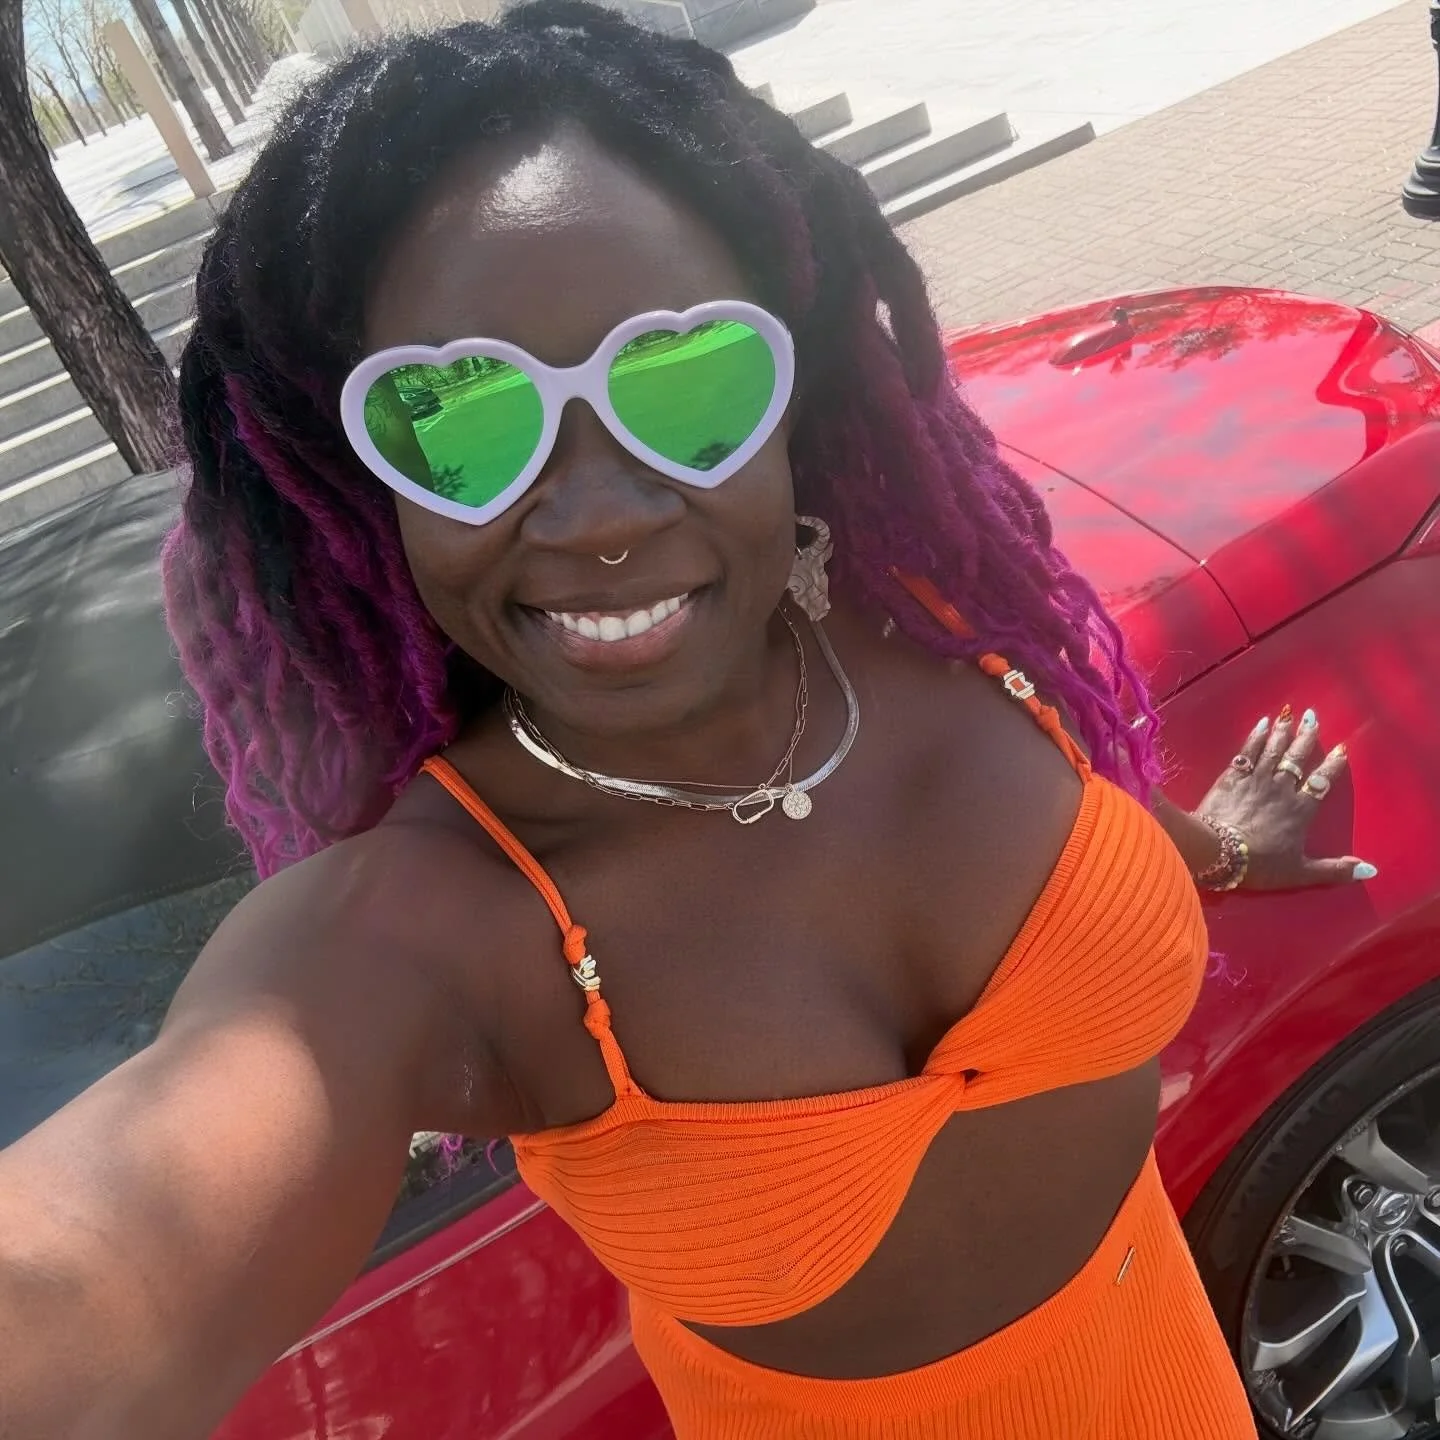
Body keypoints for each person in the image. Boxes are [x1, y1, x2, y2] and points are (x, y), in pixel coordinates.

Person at [0, 4, 1372, 1436]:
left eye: (681, 377)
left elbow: (1068, 811)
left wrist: (1214, 847)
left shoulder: (932, 626)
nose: (597, 512)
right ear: (367, 479)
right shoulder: (429, 930)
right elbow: (97, 1267)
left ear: (793, 376)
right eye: (463, 417)